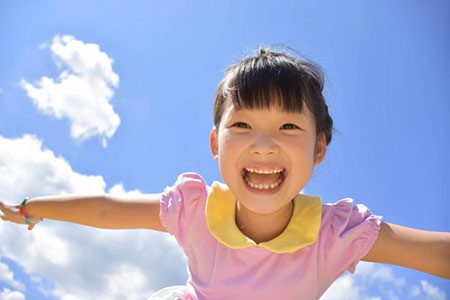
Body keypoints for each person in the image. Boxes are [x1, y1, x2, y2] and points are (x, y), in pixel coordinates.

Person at [1, 48, 449, 300]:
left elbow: (435, 255)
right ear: (215, 144)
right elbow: (105, 210)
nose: (264, 144)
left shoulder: (333, 234)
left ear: (318, 150)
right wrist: (30, 208)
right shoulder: (194, 210)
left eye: (288, 126)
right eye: (242, 125)